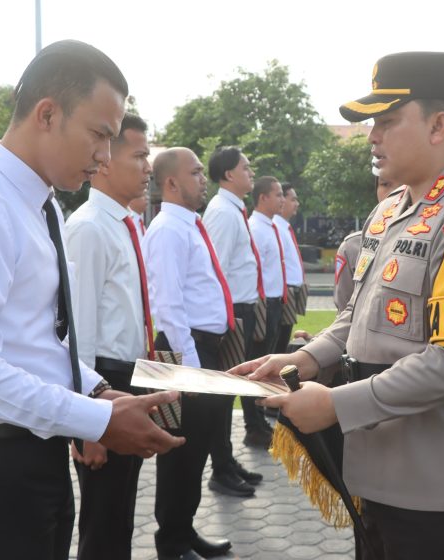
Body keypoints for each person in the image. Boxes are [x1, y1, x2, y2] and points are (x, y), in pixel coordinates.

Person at [233, 51, 444, 559]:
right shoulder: (391, 210)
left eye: (388, 121)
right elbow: (358, 314)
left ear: (439, 125)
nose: (373, 136)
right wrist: (304, 359)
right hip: (382, 481)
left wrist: (335, 405)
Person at [0, 40, 184, 560]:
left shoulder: (41, 206)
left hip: (32, 461)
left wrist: (98, 391)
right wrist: (96, 421)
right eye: (99, 135)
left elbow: (40, 341)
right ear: (48, 113)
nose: (105, 156)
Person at [64, 112, 156, 560]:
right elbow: (75, 336)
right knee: (102, 519)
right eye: (139, 155)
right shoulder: (88, 228)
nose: (148, 166)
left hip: (127, 376)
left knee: (120, 508)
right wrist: (89, 427)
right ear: (104, 162)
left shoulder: (125, 223)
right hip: (100, 379)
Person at [144, 147, 236, 560]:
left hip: (201, 349)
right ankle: (172, 544)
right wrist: (190, 366)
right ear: (171, 183)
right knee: (179, 451)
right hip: (181, 351)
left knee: (197, 448)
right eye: (196, 173)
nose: (203, 179)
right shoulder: (167, 228)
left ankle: (184, 531)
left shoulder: (190, 225)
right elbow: (167, 304)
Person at [202, 145, 263, 496]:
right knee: (223, 394)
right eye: (245, 165)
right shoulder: (223, 214)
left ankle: (226, 462)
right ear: (228, 174)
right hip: (233, 312)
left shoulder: (233, 210)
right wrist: (226, 320)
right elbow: (217, 271)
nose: (250, 170)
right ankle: (220, 468)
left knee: (231, 393)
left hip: (242, 308)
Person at [245, 176, 287, 447]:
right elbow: (253, 271)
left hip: (274, 301)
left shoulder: (269, 226)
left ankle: (259, 419)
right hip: (262, 303)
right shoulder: (256, 229)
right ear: (263, 198)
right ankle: (253, 424)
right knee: (256, 366)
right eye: (278, 194)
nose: (282, 199)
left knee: (266, 365)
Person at [334, 176, 396, 312]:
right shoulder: (351, 248)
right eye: (385, 184)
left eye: (404, 184)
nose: (395, 193)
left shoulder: (435, 241)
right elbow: (346, 313)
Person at [274, 183, 305, 353]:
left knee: (283, 338)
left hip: (291, 292)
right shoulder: (276, 227)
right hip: (284, 292)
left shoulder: (283, 226)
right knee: (278, 342)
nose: (296, 204)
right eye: (293, 199)